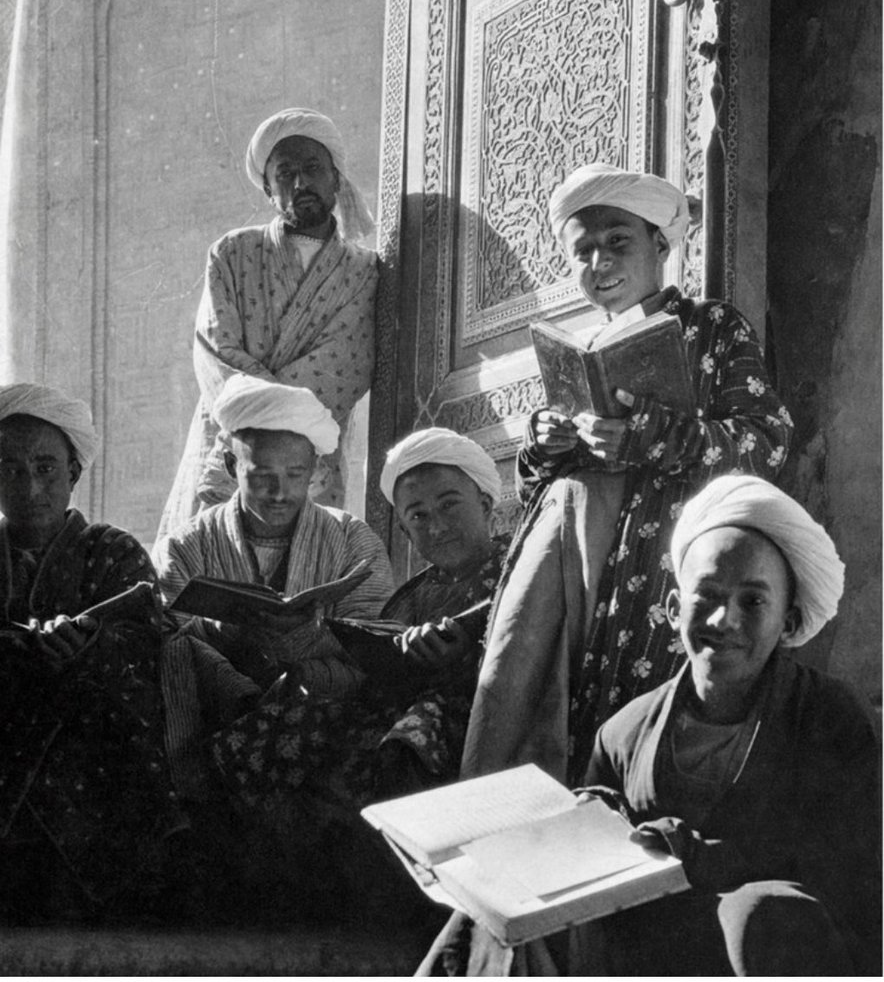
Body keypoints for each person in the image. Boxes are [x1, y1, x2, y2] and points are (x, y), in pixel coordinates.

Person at [420, 475, 880, 976]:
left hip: (763, 944)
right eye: (706, 595)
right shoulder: (624, 732)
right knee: (489, 912)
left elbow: (849, 865)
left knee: (764, 912)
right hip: (646, 945)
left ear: (788, 623)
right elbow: (592, 843)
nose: (724, 619)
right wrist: (592, 825)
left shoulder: (826, 716)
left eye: (753, 601)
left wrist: (694, 854)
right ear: (672, 609)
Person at [460, 163, 793, 788]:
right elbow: (537, 496)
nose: (599, 262)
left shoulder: (712, 328)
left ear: (661, 246)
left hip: (654, 567)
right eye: (583, 250)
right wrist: (543, 444)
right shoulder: (574, 355)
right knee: (547, 718)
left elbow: (766, 443)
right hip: (572, 569)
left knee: (634, 731)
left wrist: (656, 435)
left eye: (618, 242)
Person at [209, 427, 511, 815]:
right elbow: (375, 665)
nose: (435, 526)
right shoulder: (413, 595)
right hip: (388, 708)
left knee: (406, 742)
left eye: (449, 505)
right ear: (404, 529)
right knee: (269, 729)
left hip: (476, 707)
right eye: (418, 515)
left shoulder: (519, 562)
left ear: (485, 504)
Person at [153, 374, 394, 802]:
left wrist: (304, 651)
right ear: (231, 467)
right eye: (262, 475)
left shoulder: (354, 543)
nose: (279, 492)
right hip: (213, 724)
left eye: (295, 474)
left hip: (325, 729)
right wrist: (223, 634)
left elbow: (379, 652)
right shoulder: (186, 546)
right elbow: (165, 648)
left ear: (317, 471)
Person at [0, 383, 180, 919]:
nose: (30, 486)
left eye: (46, 468)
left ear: (75, 473)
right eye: (9, 468)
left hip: (92, 733)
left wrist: (89, 646)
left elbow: (147, 642)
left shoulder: (114, 551)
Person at [158, 106, 378, 537]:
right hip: (229, 449)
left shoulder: (364, 271)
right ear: (267, 189)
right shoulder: (231, 253)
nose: (300, 183)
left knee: (302, 583)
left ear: (336, 177)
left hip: (310, 463)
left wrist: (272, 434)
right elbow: (217, 351)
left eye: (313, 168)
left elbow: (345, 364)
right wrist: (251, 439)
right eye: (285, 173)